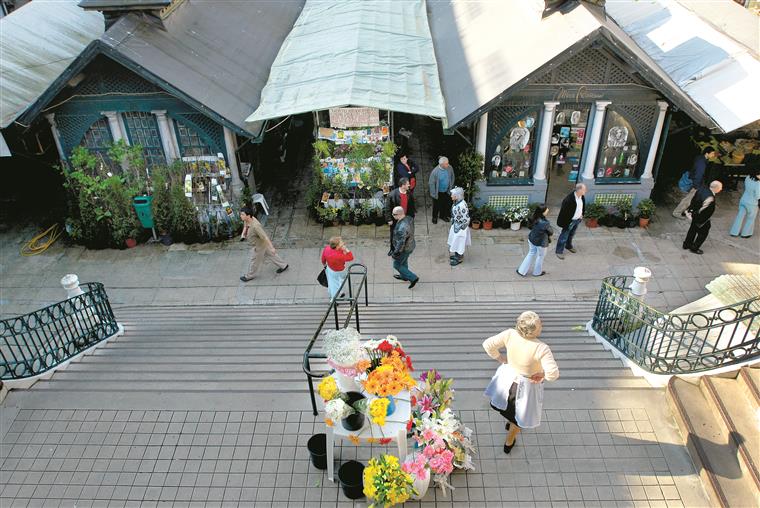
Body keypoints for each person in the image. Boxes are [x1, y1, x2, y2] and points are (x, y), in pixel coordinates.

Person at [482, 311, 559, 454]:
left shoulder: (510, 334)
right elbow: (553, 374)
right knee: (518, 417)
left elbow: (488, 344)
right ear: (533, 330)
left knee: (507, 407)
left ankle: (509, 423)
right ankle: (509, 441)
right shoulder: (542, 348)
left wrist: (500, 359)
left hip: (506, 381)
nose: (542, 324)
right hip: (525, 388)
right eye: (539, 323)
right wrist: (542, 374)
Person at [239, 207, 288, 282]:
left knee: (254, 261)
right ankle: (283, 265)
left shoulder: (256, 226)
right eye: (241, 214)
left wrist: (272, 248)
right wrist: (243, 234)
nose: (240, 216)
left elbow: (265, 237)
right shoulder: (247, 220)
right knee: (271, 255)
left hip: (259, 246)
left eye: (242, 214)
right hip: (262, 244)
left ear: (248, 216)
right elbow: (245, 226)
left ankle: (250, 275)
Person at [673, 147, 718, 219]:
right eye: (712, 153)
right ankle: (677, 212)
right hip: (697, 183)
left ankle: (688, 211)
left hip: (696, 182)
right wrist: (697, 186)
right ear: (707, 153)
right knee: (688, 199)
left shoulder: (700, 158)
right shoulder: (702, 164)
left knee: (692, 198)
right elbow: (698, 175)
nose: (713, 155)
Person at [684, 180, 722, 254]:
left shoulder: (702, 189)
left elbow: (693, 200)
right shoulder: (710, 198)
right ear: (716, 188)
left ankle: (687, 244)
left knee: (692, 230)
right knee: (703, 234)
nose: (721, 189)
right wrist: (701, 220)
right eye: (720, 188)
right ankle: (694, 248)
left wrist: (691, 211)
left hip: (694, 214)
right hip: (702, 219)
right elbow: (703, 210)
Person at [517, 204, 553, 277]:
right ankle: (537, 272)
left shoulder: (533, 217)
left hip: (532, 238)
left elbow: (530, 226)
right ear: (542, 212)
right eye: (546, 209)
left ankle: (521, 271)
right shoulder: (545, 223)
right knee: (540, 256)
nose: (548, 210)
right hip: (541, 242)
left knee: (531, 253)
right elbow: (551, 232)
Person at [384, 177, 416, 255]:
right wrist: (389, 219)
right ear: (403, 185)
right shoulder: (392, 195)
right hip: (395, 219)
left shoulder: (409, 194)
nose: (409, 185)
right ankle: (392, 249)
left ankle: (402, 248)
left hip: (405, 219)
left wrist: (411, 217)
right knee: (394, 234)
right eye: (407, 184)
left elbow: (411, 206)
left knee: (404, 234)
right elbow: (387, 208)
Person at [390, 206, 419, 289]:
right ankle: (404, 276)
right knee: (404, 261)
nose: (393, 215)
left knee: (397, 265)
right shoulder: (409, 218)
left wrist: (395, 253)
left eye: (394, 214)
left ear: (399, 214)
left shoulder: (402, 228)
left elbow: (401, 243)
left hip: (404, 249)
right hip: (411, 245)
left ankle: (413, 278)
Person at [555, 183, 586, 260]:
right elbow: (564, 213)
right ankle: (559, 251)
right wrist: (566, 223)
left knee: (571, 234)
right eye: (584, 189)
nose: (585, 191)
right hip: (569, 221)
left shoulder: (582, 197)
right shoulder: (568, 199)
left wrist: (582, 214)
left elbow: (583, 206)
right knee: (564, 236)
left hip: (577, 220)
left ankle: (568, 246)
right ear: (579, 190)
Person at [729, 174, 760, 239]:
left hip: (743, 200)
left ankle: (734, 232)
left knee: (739, 217)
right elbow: (758, 196)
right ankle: (745, 234)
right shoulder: (758, 183)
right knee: (750, 218)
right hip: (752, 204)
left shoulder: (748, 177)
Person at [447, 187, 471, 266]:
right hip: (456, 225)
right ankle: (457, 255)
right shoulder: (456, 202)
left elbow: (466, 218)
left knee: (459, 241)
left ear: (457, 196)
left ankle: (459, 258)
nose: (451, 196)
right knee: (455, 240)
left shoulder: (462, 205)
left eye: (452, 195)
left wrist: (462, 228)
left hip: (460, 227)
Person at [429, 156, 455, 224]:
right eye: (446, 164)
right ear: (442, 164)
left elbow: (452, 176)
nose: (448, 164)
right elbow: (431, 183)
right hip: (438, 192)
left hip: (447, 190)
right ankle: (434, 217)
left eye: (448, 163)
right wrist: (434, 194)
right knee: (436, 205)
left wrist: (451, 187)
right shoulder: (435, 172)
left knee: (445, 204)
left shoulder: (450, 168)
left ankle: (442, 216)